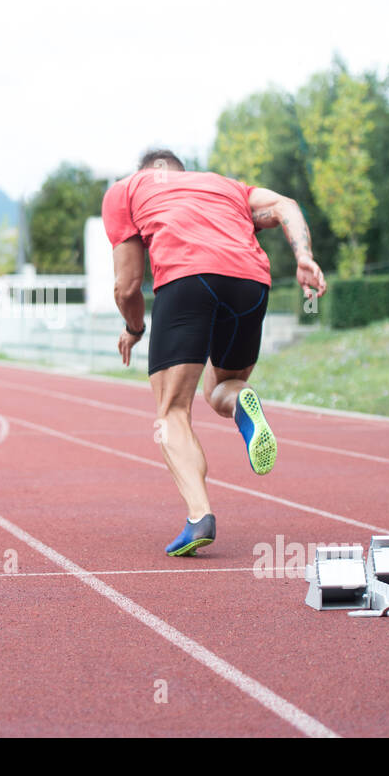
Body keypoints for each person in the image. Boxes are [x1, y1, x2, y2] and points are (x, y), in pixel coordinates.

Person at [101, 149, 327, 556]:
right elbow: (285, 205)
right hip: (250, 283)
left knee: (172, 412)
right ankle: (241, 402)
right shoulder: (225, 186)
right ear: (182, 173)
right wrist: (304, 257)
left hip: (188, 279)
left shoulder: (126, 190)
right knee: (223, 386)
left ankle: (199, 516)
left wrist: (135, 328)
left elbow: (128, 285)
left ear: (147, 172)